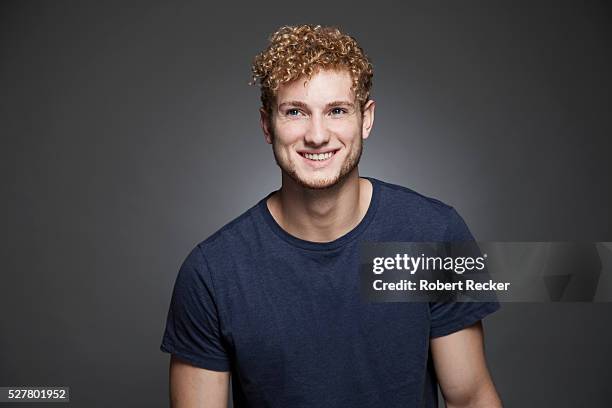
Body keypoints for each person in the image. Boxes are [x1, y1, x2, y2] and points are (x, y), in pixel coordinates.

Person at [160, 24, 502, 407]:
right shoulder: (213, 272)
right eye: (295, 112)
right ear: (266, 125)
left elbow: (470, 397)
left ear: (366, 118)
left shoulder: (434, 235)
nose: (317, 135)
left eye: (337, 110)